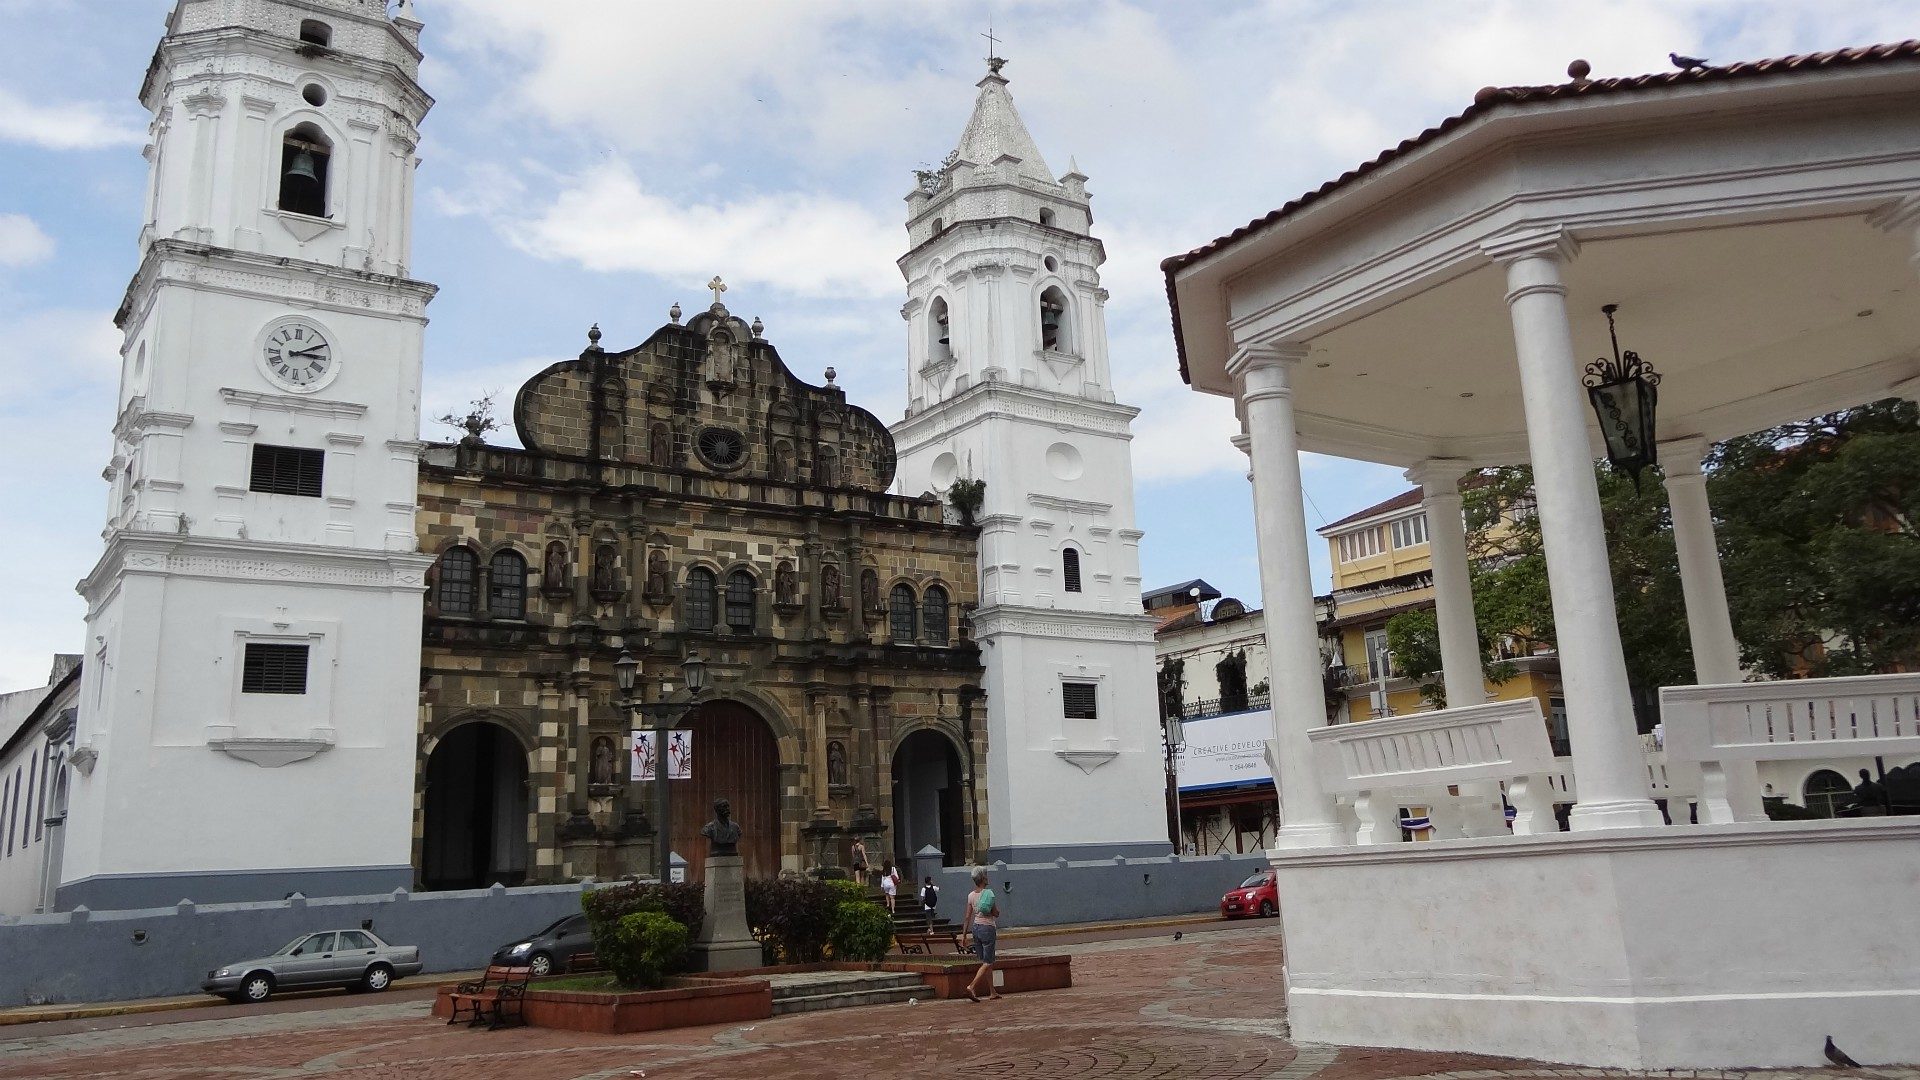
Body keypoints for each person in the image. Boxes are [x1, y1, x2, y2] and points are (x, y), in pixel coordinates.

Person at [962, 868, 1002, 1002]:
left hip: (976, 928)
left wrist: (964, 936)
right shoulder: (989, 894)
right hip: (987, 928)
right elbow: (995, 912)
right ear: (983, 879)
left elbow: (967, 917)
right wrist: (996, 913)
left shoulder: (970, 895)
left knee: (986, 961)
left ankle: (992, 991)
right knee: (988, 961)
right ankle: (971, 986)